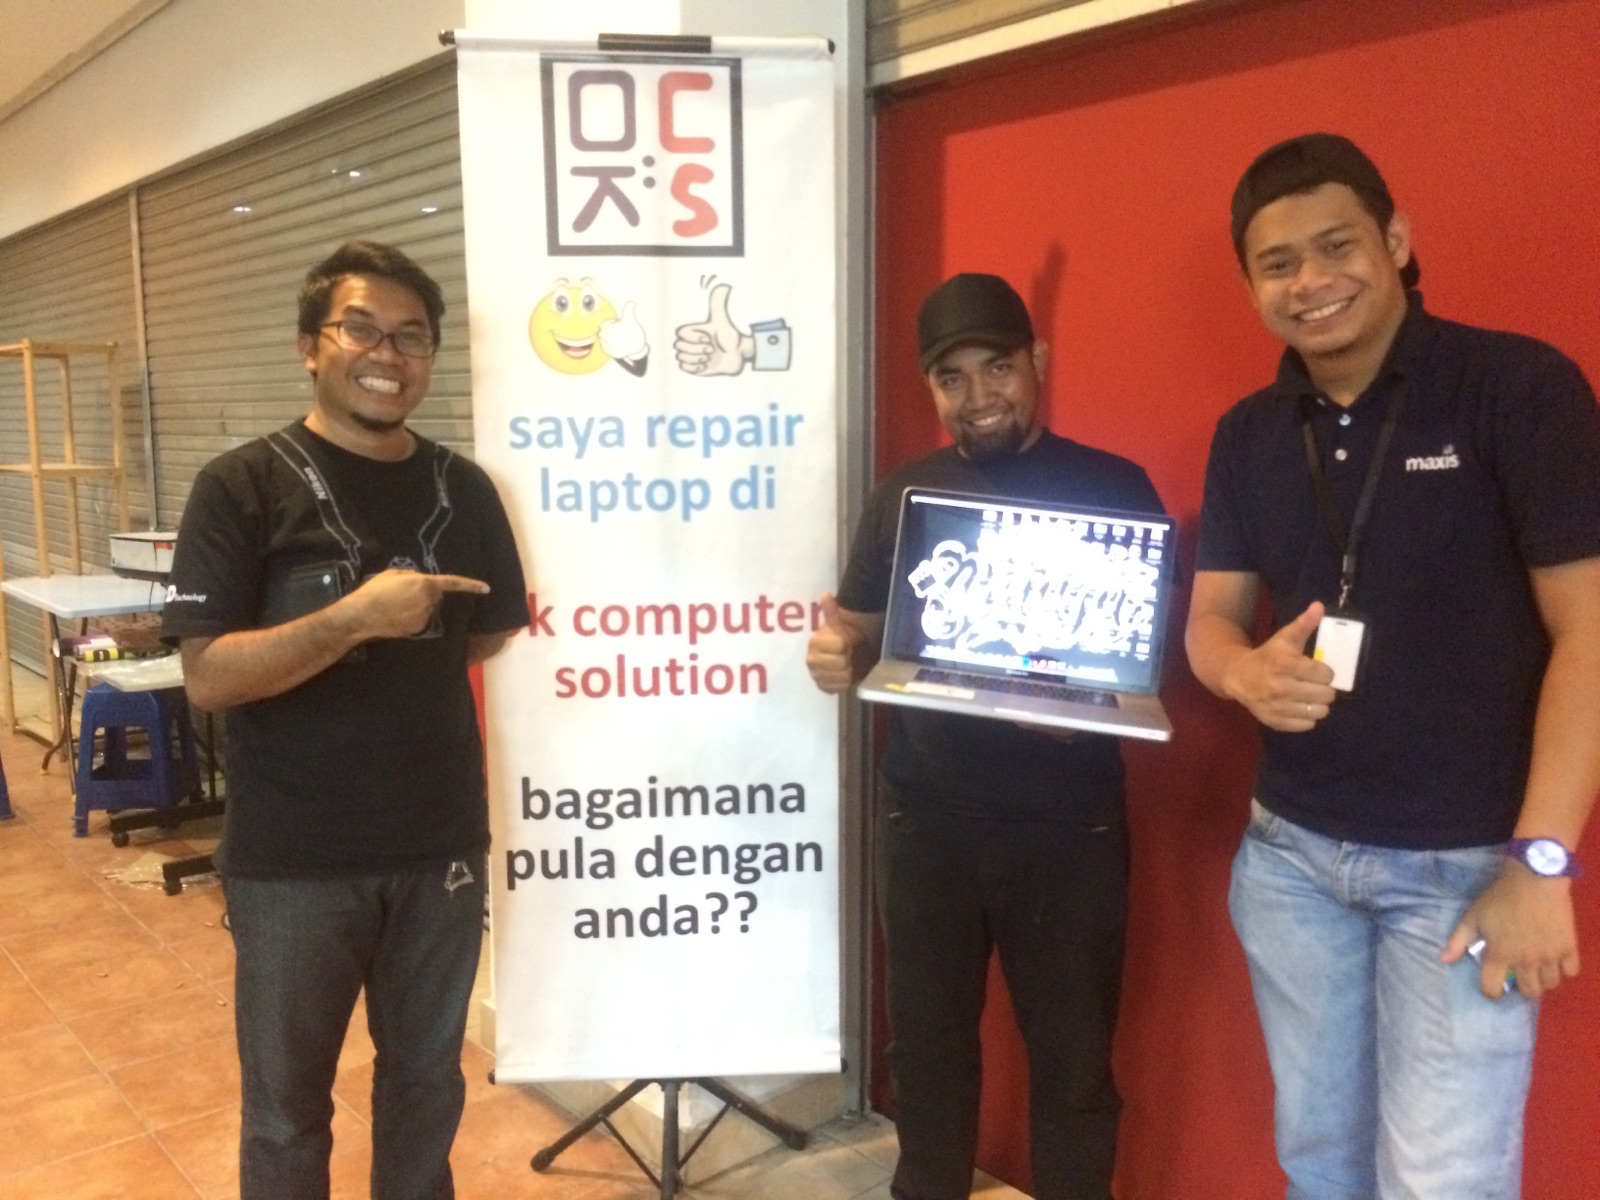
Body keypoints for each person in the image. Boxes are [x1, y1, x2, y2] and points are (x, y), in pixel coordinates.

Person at [1186, 133, 1600, 1198]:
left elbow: (1590, 635)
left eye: (1337, 246)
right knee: (1318, 1166)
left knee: (1441, 1183)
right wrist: (1239, 674)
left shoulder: (1518, 389)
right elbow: (1210, 623)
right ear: (1252, 286)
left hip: (1465, 871)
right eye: (1278, 263)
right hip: (1290, 861)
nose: (1310, 281)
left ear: (1397, 241)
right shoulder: (1247, 434)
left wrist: (1542, 863)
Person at [161, 240, 530, 1200]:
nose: (387, 354)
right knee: (286, 1114)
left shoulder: (465, 489)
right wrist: (353, 621)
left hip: (437, 848)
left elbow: (490, 631)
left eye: (412, 336)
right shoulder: (241, 485)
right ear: (308, 346)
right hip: (293, 861)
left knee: (425, 1088)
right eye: (360, 328)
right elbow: (208, 677)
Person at [807, 273, 1165, 1200]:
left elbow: (1142, 655)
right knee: (925, 1050)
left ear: (1036, 360)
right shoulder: (901, 495)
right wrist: (836, 654)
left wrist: (1085, 704)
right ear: (930, 389)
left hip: (1069, 824)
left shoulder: (1115, 487)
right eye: (952, 377)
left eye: (997, 367)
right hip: (926, 817)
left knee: (1074, 1056)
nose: (978, 396)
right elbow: (854, 628)